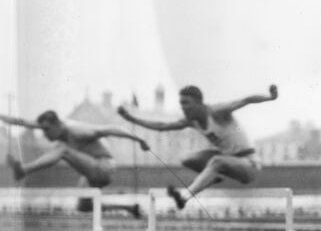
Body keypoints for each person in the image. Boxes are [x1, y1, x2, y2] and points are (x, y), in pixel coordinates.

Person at [117, 84, 278, 209]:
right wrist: (131, 118)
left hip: (249, 164)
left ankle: (184, 197)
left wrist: (270, 97)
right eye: (181, 104)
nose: (183, 108)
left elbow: (245, 100)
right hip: (228, 160)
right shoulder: (192, 121)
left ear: (199, 103)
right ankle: (213, 176)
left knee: (216, 161)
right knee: (188, 159)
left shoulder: (217, 112)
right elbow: (161, 126)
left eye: (187, 103)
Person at [2, 110, 149, 217]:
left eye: (47, 130)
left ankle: (24, 169)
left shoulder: (77, 131)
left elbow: (111, 129)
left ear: (58, 124)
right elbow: (22, 122)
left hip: (104, 166)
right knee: (84, 206)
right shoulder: (57, 129)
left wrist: (139, 140)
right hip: (91, 171)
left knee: (63, 150)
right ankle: (129, 208)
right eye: (42, 130)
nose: (45, 134)